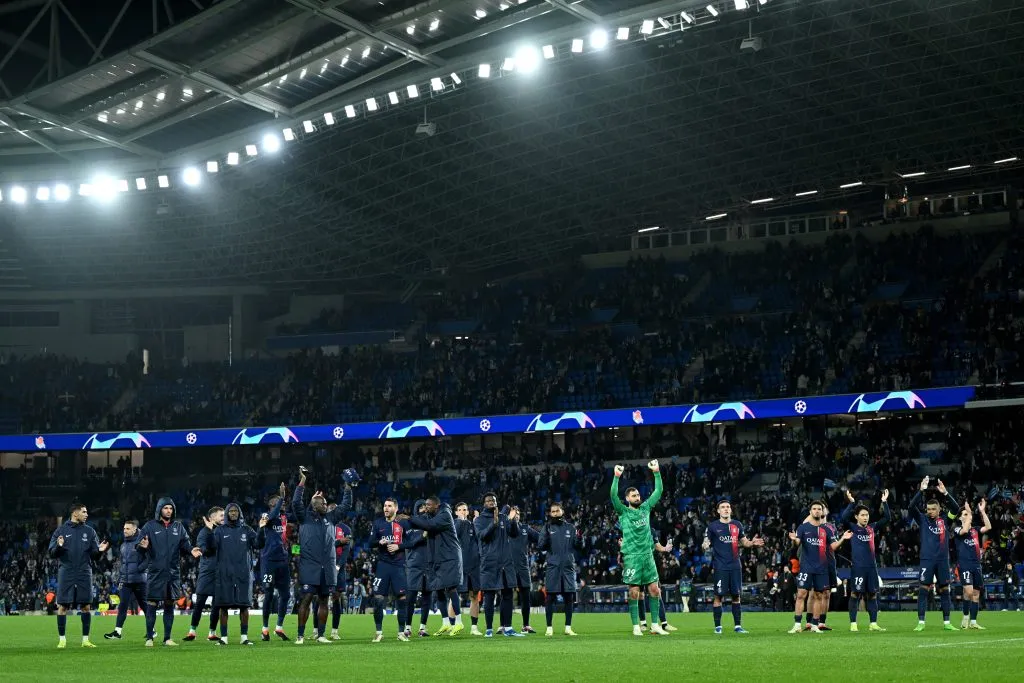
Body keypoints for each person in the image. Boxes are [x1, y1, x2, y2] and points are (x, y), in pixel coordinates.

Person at [291, 467, 353, 644]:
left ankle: (321, 635)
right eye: (322, 503)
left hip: (327, 566)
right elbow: (296, 502)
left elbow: (346, 505)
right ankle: (300, 635)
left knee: (325, 600)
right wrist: (302, 482)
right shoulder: (304, 517)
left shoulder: (331, 518)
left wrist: (348, 487)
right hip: (309, 565)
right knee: (307, 598)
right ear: (313, 505)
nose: (325, 505)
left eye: (326, 503)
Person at [610, 460, 668, 636]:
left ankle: (655, 625)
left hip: (648, 556)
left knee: (654, 590)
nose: (637, 497)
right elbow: (613, 495)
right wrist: (616, 477)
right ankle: (636, 626)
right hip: (632, 556)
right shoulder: (623, 512)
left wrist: (656, 472)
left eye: (638, 495)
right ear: (627, 499)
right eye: (634, 496)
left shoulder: (645, 508)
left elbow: (659, 491)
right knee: (634, 592)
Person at [137, 496, 200, 647]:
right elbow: (139, 547)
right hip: (155, 572)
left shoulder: (178, 527)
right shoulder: (149, 526)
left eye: (171, 508)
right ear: (159, 509)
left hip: (172, 573)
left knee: (169, 603)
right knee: (151, 603)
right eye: (166, 508)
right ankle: (149, 638)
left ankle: (167, 638)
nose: (169, 511)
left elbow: (185, 544)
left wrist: (191, 550)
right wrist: (142, 546)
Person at [203, 502, 267, 645]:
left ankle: (244, 637)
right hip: (224, 574)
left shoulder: (247, 529)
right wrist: (209, 531)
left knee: (244, 606)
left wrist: (261, 529)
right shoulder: (219, 531)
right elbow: (211, 547)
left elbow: (258, 544)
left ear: (239, 513)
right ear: (226, 513)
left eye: (235, 511)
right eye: (230, 511)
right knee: (224, 606)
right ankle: (224, 637)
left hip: (243, 574)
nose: (233, 513)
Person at [48, 504, 110, 648]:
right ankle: (62, 640)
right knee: (62, 606)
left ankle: (85, 640)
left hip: (84, 572)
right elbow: (51, 553)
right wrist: (59, 546)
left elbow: (95, 556)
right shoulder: (61, 531)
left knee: (86, 606)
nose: (86, 514)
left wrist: (100, 551)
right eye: (84, 512)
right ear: (75, 513)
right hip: (66, 571)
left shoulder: (90, 531)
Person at [702, 499, 764, 635]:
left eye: (728, 507)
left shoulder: (737, 525)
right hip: (720, 566)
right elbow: (706, 541)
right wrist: (705, 545)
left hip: (736, 566)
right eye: (723, 507)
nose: (725, 509)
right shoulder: (713, 526)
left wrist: (752, 543)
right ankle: (718, 627)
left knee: (736, 596)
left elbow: (744, 542)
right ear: (718, 511)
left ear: (731, 510)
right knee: (719, 596)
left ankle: (737, 626)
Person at [787, 500, 850, 633]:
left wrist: (843, 538)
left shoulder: (827, 529)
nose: (817, 511)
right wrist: (793, 540)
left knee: (819, 595)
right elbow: (797, 544)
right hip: (806, 567)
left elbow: (833, 547)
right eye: (814, 509)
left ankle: (816, 624)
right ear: (810, 512)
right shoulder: (803, 527)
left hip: (822, 567)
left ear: (823, 512)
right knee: (801, 594)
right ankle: (797, 624)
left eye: (819, 509)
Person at [909, 476, 959, 631]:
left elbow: (956, 509)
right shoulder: (922, 519)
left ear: (939, 510)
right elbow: (911, 508)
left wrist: (945, 493)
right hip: (927, 560)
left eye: (933, 509)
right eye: (928, 509)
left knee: (945, 590)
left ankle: (947, 623)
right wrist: (921, 490)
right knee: (923, 590)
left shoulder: (946, 520)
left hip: (943, 560)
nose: (930, 512)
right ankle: (921, 622)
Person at [409, 495, 464, 637]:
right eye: (425, 505)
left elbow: (429, 526)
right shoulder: (432, 516)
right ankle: (446, 623)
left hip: (450, 557)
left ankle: (458, 622)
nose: (426, 507)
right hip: (438, 558)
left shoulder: (444, 514)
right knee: (438, 589)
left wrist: (409, 518)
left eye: (428, 505)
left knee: (451, 588)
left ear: (436, 506)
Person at [840, 488, 891, 632]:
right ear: (856, 517)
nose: (865, 517)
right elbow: (843, 518)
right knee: (855, 594)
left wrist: (884, 502)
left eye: (867, 515)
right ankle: (853, 624)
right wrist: (851, 503)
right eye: (862, 515)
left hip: (872, 567)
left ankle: (873, 623)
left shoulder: (872, 528)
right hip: (858, 567)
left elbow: (887, 518)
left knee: (873, 594)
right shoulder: (852, 528)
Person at [475, 491, 523, 637]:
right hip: (489, 563)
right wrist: (493, 523)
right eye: (489, 500)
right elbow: (482, 536)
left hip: (506, 563)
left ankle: (507, 628)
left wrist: (514, 520)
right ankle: (489, 629)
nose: (492, 502)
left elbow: (515, 534)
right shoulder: (479, 520)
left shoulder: (503, 517)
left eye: (494, 500)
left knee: (508, 595)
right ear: (484, 503)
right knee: (489, 596)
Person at [368, 496, 410, 642]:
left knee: (402, 599)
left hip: (398, 566)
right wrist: (380, 542)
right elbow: (370, 543)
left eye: (389, 506)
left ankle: (401, 632)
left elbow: (411, 542)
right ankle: (379, 631)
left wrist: (399, 546)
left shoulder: (402, 524)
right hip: (383, 566)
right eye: (385, 506)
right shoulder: (378, 523)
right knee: (378, 599)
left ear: (396, 508)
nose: (386, 508)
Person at [536, 502, 580, 636]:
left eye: (557, 511)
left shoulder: (571, 528)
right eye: (552, 511)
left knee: (569, 598)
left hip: (567, 567)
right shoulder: (547, 527)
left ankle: (568, 627)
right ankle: (549, 627)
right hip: (553, 567)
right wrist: (545, 539)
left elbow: (577, 546)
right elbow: (540, 546)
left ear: (562, 511)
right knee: (550, 598)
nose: (555, 513)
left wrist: (580, 538)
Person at [184, 506, 223, 642]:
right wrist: (211, 532)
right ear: (212, 518)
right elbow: (204, 551)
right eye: (221, 515)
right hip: (207, 572)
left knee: (217, 605)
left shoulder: (222, 531)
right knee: (200, 602)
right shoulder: (204, 533)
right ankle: (192, 631)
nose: (224, 517)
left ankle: (212, 632)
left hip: (220, 573)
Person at [104, 519, 147, 640]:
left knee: (144, 605)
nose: (125, 531)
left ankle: (152, 630)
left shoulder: (142, 542)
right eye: (124, 529)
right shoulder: (123, 545)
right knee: (123, 604)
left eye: (127, 529)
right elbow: (123, 562)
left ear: (134, 529)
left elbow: (149, 558)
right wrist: (121, 574)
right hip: (125, 580)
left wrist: (140, 569)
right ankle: (117, 632)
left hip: (139, 580)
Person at [260, 483, 291, 642]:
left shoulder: (285, 518)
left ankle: (279, 626)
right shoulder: (266, 515)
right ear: (272, 505)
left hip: (283, 562)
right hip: (269, 562)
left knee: (285, 595)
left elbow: (285, 538)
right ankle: (264, 629)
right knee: (269, 594)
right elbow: (271, 517)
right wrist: (282, 497)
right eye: (278, 501)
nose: (282, 503)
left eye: (283, 502)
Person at [953, 498, 991, 630]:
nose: (966, 515)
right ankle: (965, 617)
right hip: (964, 564)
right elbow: (964, 530)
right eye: (963, 514)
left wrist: (982, 512)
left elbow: (988, 527)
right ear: (960, 518)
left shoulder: (975, 529)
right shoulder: (957, 530)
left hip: (976, 565)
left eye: (966, 514)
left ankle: (973, 622)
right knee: (968, 592)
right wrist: (969, 513)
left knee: (976, 594)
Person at [508, 503, 540, 634]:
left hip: (523, 567)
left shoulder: (526, 529)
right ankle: (504, 625)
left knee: (526, 597)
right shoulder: (503, 529)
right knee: (506, 597)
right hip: (508, 567)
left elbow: (541, 538)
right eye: (514, 513)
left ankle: (526, 625)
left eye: (518, 513)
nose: (516, 515)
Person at [403, 499, 432, 637]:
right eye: (420, 507)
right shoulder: (410, 525)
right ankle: (407, 627)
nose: (424, 509)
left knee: (427, 597)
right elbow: (408, 543)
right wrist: (422, 535)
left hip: (429, 565)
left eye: (426, 507)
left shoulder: (432, 523)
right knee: (411, 598)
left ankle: (422, 628)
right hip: (414, 565)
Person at [453, 502, 482, 635]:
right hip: (459, 566)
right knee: (455, 596)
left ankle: (474, 628)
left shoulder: (473, 525)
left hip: (474, 566)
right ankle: (453, 626)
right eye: (460, 510)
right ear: (456, 512)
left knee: (474, 596)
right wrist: (461, 521)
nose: (463, 512)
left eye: (465, 509)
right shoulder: (454, 525)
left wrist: (477, 522)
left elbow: (480, 539)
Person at [638, 531, 677, 632]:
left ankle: (663, 624)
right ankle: (643, 624)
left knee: (657, 592)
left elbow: (657, 545)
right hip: (638, 564)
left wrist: (665, 548)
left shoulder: (652, 530)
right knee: (640, 594)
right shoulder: (634, 527)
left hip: (651, 565)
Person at [328, 506, 353, 640]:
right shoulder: (323, 526)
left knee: (336, 597)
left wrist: (338, 566)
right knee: (319, 597)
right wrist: (338, 542)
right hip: (324, 566)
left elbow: (346, 551)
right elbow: (322, 545)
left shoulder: (346, 529)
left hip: (339, 568)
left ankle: (334, 631)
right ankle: (316, 630)